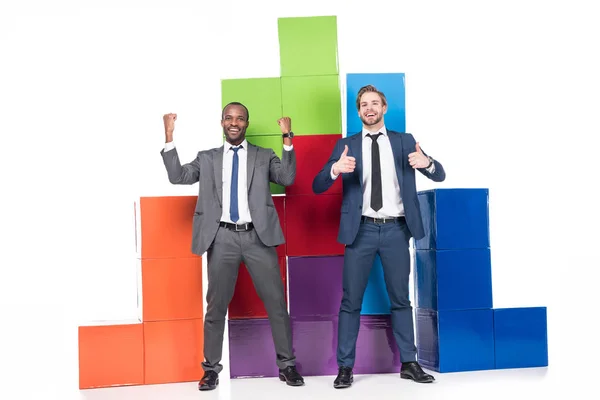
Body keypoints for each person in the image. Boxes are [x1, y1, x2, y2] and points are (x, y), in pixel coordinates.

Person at [160, 102, 304, 390]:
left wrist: (287, 138)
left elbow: (287, 178)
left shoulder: (264, 156)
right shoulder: (208, 158)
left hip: (257, 238)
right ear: (222, 122)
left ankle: (287, 365)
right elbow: (178, 177)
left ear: (247, 124)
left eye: (240, 118)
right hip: (221, 237)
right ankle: (211, 370)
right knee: (215, 307)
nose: (234, 122)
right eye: (229, 118)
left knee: (276, 303)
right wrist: (169, 136)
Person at [312, 85, 446, 388]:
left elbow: (439, 174)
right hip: (360, 230)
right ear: (358, 111)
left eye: (374, 103)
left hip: (397, 230)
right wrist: (335, 168)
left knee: (401, 299)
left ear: (384, 108)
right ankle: (345, 367)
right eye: (363, 104)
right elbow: (318, 185)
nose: (369, 108)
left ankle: (409, 363)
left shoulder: (404, 141)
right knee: (351, 302)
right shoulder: (346, 145)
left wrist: (427, 164)